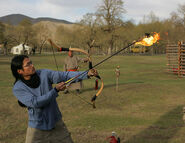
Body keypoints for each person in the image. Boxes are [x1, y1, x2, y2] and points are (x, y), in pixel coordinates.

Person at [11, 55, 98, 143]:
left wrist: (86, 74)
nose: (32, 65)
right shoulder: (18, 88)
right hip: (36, 129)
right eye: (28, 65)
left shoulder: (43, 73)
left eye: (31, 63)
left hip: (57, 125)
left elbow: (64, 75)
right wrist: (55, 90)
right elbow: (35, 102)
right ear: (19, 71)